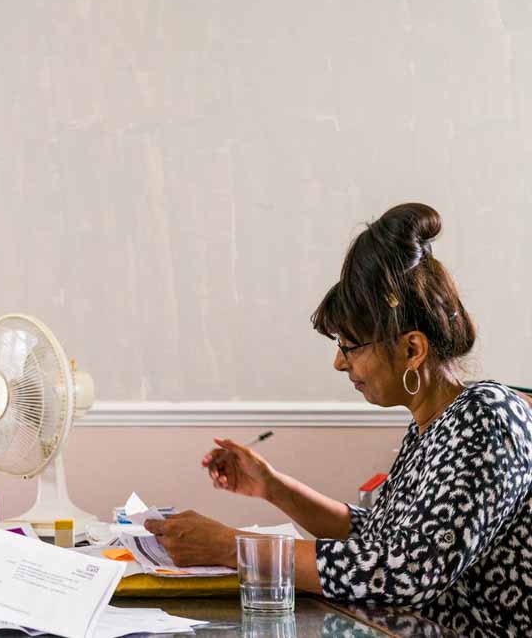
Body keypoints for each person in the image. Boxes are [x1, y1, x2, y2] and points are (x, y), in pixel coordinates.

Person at [144, 203, 532, 637]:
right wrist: (271, 485)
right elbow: (377, 539)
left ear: (412, 349)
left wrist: (232, 548)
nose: (339, 363)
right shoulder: (433, 425)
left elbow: (403, 573)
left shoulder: (486, 417)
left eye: (351, 346)